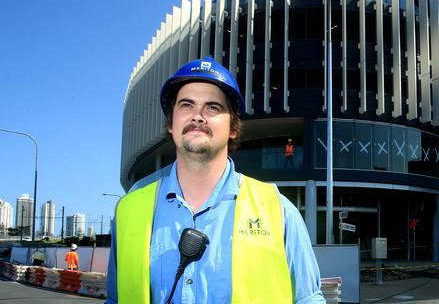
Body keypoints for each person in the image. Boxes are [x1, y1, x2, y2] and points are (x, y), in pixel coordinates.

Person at [106, 57, 325, 303]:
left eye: (212, 107)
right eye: (186, 105)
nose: (197, 116)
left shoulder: (279, 210)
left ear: (233, 127)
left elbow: (309, 297)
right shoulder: (128, 211)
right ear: (171, 123)